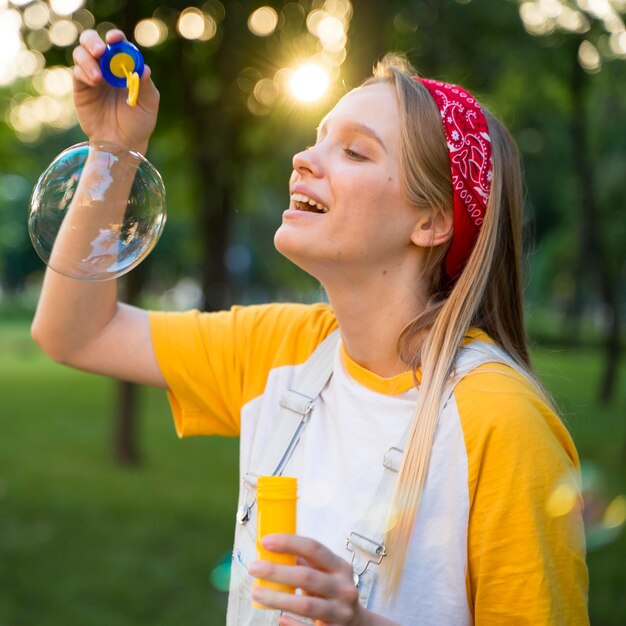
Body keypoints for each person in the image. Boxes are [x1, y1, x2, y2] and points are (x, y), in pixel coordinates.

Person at [32, 28, 589, 626]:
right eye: (318, 138)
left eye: (354, 151)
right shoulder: (286, 349)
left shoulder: (501, 422)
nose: (303, 158)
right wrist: (114, 148)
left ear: (431, 221)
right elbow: (76, 332)